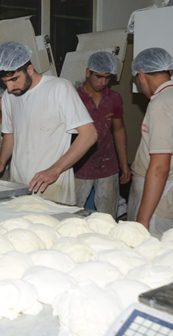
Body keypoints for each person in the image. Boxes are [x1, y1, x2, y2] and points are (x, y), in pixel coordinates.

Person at [0, 41, 98, 205]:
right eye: (5, 82)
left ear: (29, 69)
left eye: (14, 79)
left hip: (53, 188)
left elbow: (89, 134)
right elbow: (9, 134)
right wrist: (1, 163)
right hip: (20, 187)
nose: (10, 87)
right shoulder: (9, 97)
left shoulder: (59, 88)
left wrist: (54, 170)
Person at [127, 47, 173, 235]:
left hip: (157, 199)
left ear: (141, 75)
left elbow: (160, 166)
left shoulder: (160, 104)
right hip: (170, 192)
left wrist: (143, 219)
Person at [73, 51, 130, 217]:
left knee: (107, 217)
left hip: (108, 165)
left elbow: (118, 130)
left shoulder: (114, 98)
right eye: (98, 77)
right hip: (79, 166)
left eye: (107, 78)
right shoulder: (74, 97)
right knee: (72, 215)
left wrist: (124, 165)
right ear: (87, 72)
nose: (103, 82)